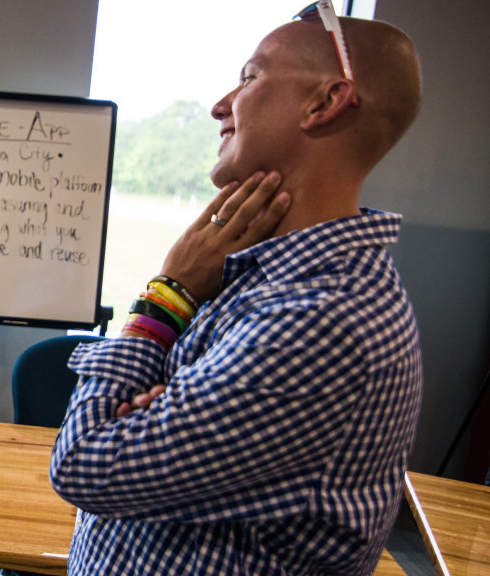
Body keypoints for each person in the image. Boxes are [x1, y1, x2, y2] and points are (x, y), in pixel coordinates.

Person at [49, 4, 423, 575]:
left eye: (250, 76)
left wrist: (166, 298)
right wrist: (146, 410)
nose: (220, 105)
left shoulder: (321, 318)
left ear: (326, 102)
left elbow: (87, 464)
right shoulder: (264, 280)